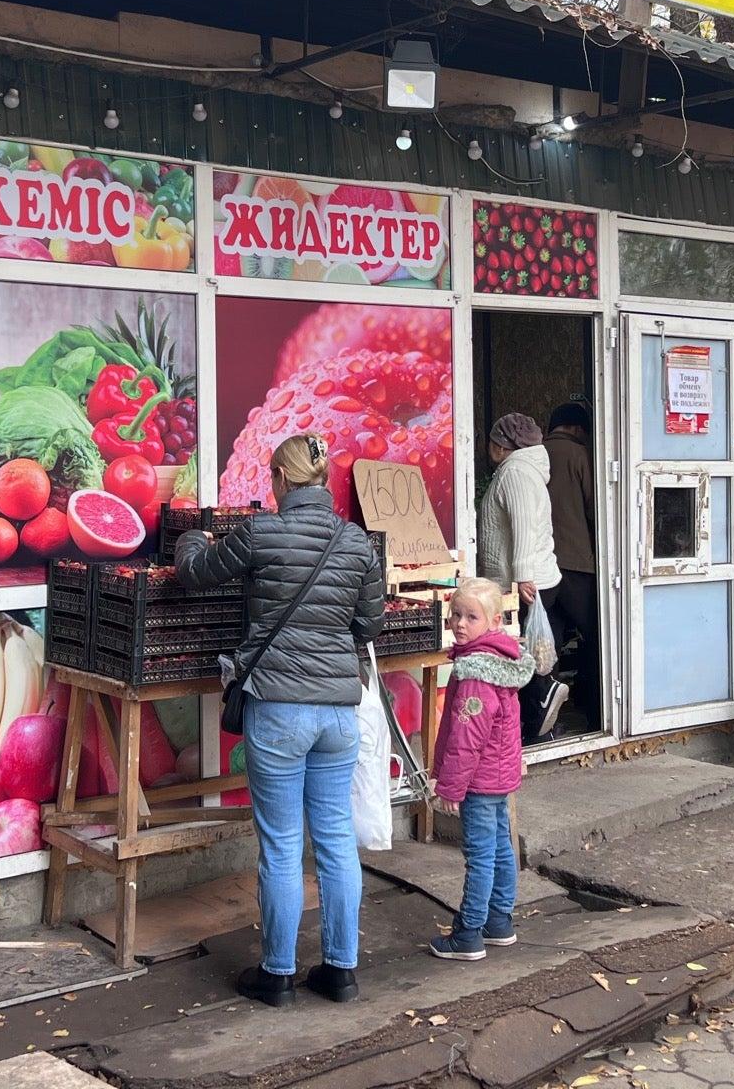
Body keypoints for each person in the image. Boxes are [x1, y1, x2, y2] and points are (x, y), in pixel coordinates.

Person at [175, 432, 383, 1008]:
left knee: (283, 843)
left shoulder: (260, 533)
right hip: (338, 711)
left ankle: (278, 974)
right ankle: (341, 971)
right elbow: (368, 626)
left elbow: (196, 573)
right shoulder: (356, 542)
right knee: (335, 839)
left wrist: (191, 537)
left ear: (282, 479)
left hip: (280, 708)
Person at [427, 577, 534, 961]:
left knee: (480, 855)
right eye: (455, 614)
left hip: (478, 780)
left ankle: (468, 932)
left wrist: (451, 787)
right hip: (498, 776)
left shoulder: (476, 673)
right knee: (501, 847)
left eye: (471, 617)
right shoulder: (501, 661)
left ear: (494, 622)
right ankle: (498, 921)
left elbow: (466, 738)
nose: (459, 623)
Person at [476, 412, 566, 740]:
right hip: (532, 578)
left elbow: (523, 525)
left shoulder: (515, 471)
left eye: (491, 441)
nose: (488, 447)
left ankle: (542, 703)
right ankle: (541, 721)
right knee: (536, 650)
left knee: (524, 656)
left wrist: (523, 577)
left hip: (525, 582)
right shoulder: (525, 469)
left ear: (502, 445)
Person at [542, 401, 601, 732]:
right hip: (578, 564)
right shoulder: (580, 455)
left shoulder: (535, 454)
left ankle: (543, 719)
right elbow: (596, 508)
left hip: (543, 566)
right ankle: (594, 711)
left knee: (547, 643)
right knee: (595, 637)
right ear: (579, 429)